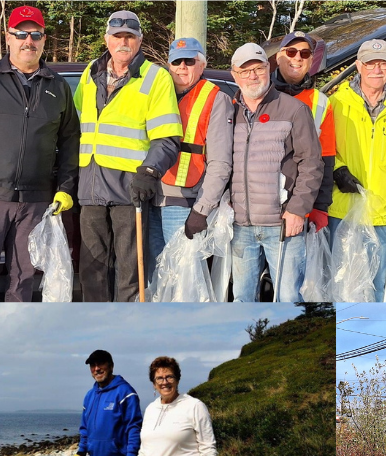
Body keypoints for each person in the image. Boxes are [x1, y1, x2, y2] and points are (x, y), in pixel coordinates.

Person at [0, 5, 80, 301]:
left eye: (35, 34)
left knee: (24, 274)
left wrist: (65, 187)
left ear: (44, 40)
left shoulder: (57, 86)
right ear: (8, 38)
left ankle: (14, 334)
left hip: (36, 199)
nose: (28, 41)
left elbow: (71, 140)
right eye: (21, 33)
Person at [197, 43, 323, 302]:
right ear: (234, 75)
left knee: (288, 300)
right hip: (242, 226)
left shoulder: (294, 110)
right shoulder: (230, 113)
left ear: (269, 69)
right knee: (243, 300)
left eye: (258, 68)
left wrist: (298, 210)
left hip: (283, 226)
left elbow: (311, 163)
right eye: (245, 71)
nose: (252, 76)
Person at [74, 11, 182, 301]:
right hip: (90, 187)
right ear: (107, 39)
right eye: (117, 36)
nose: (123, 42)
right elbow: (74, 127)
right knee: (92, 270)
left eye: (129, 37)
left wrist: (148, 172)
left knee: (129, 272)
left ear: (139, 40)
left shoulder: (155, 78)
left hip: (129, 189)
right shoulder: (90, 73)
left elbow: (168, 137)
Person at [326, 39, 386, 301]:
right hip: (343, 210)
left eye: (383, 63)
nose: (376, 70)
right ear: (358, 66)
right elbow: (321, 147)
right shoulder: (337, 103)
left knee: (379, 283)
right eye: (370, 63)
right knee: (341, 281)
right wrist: (337, 169)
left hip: (385, 213)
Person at [145, 37, 231, 282]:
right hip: (152, 199)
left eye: (189, 61)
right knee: (156, 279)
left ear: (201, 65)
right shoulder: (159, 94)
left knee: (183, 280)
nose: (182, 67)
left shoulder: (216, 99)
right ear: (169, 65)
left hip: (184, 205)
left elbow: (221, 163)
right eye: (177, 61)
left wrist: (201, 211)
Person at [270, 31, 341, 234]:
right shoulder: (260, 94)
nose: (297, 58)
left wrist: (321, 206)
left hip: (298, 209)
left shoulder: (320, 102)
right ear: (278, 57)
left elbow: (325, 158)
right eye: (291, 52)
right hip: (254, 206)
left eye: (304, 53)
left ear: (311, 60)